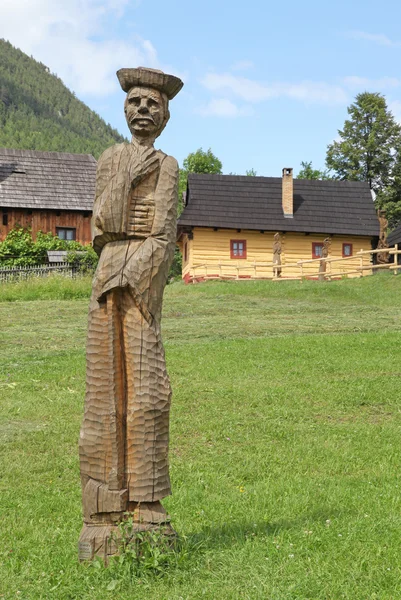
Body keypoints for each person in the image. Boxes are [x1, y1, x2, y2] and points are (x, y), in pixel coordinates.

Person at [78, 68, 183, 558]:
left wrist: (133, 267)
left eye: (152, 103)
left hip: (140, 278)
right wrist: (124, 192)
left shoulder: (168, 165)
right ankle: (102, 505)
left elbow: (162, 233)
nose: (143, 109)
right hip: (106, 274)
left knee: (147, 388)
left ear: (166, 114)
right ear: (124, 109)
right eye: (135, 101)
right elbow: (102, 225)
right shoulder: (111, 160)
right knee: (104, 390)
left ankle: (146, 501)